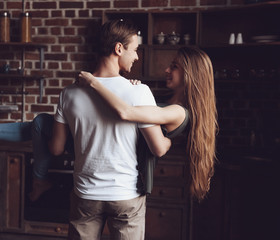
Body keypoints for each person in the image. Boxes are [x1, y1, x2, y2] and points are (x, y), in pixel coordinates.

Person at [46, 19, 172, 240]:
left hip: (86, 193)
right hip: (125, 195)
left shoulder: (69, 93)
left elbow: (56, 149)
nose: (136, 56)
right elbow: (158, 149)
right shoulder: (138, 91)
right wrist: (169, 139)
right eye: (134, 50)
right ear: (118, 48)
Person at [77, 46, 218, 201]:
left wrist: (93, 82)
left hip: (129, 181)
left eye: (174, 67)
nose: (166, 70)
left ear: (191, 74)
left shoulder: (179, 112)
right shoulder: (164, 100)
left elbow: (126, 113)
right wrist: (133, 90)